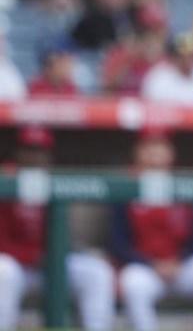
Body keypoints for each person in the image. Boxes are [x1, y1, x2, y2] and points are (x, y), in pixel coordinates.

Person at [112, 127, 193, 331]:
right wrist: (151, 263)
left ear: (170, 152)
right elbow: (117, 243)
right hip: (146, 270)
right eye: (150, 146)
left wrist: (179, 261)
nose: (156, 151)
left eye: (161, 145)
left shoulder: (180, 185)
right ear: (138, 152)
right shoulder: (125, 186)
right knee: (132, 283)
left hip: (180, 268)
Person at [0, 126, 115, 330]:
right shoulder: (5, 179)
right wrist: (33, 256)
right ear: (18, 152)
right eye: (29, 150)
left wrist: (67, 252)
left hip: (48, 263)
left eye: (39, 151)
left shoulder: (54, 179)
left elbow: (63, 235)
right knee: (4, 271)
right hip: (18, 266)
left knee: (96, 271)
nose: (34, 157)